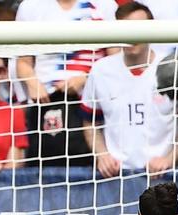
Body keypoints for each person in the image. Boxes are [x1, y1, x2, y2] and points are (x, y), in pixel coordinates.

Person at [16, 0, 117, 168]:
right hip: (46, 105)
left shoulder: (105, 5)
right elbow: (23, 63)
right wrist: (33, 82)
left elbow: (115, 61)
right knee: (43, 173)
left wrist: (86, 78)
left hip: (89, 108)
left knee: (87, 174)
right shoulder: (30, 6)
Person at [81, 2, 176, 179]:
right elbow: (89, 122)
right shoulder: (101, 71)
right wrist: (102, 155)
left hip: (163, 178)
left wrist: (169, 159)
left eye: (137, 29)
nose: (131, 36)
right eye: (125, 30)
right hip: (116, 179)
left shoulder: (172, 68)